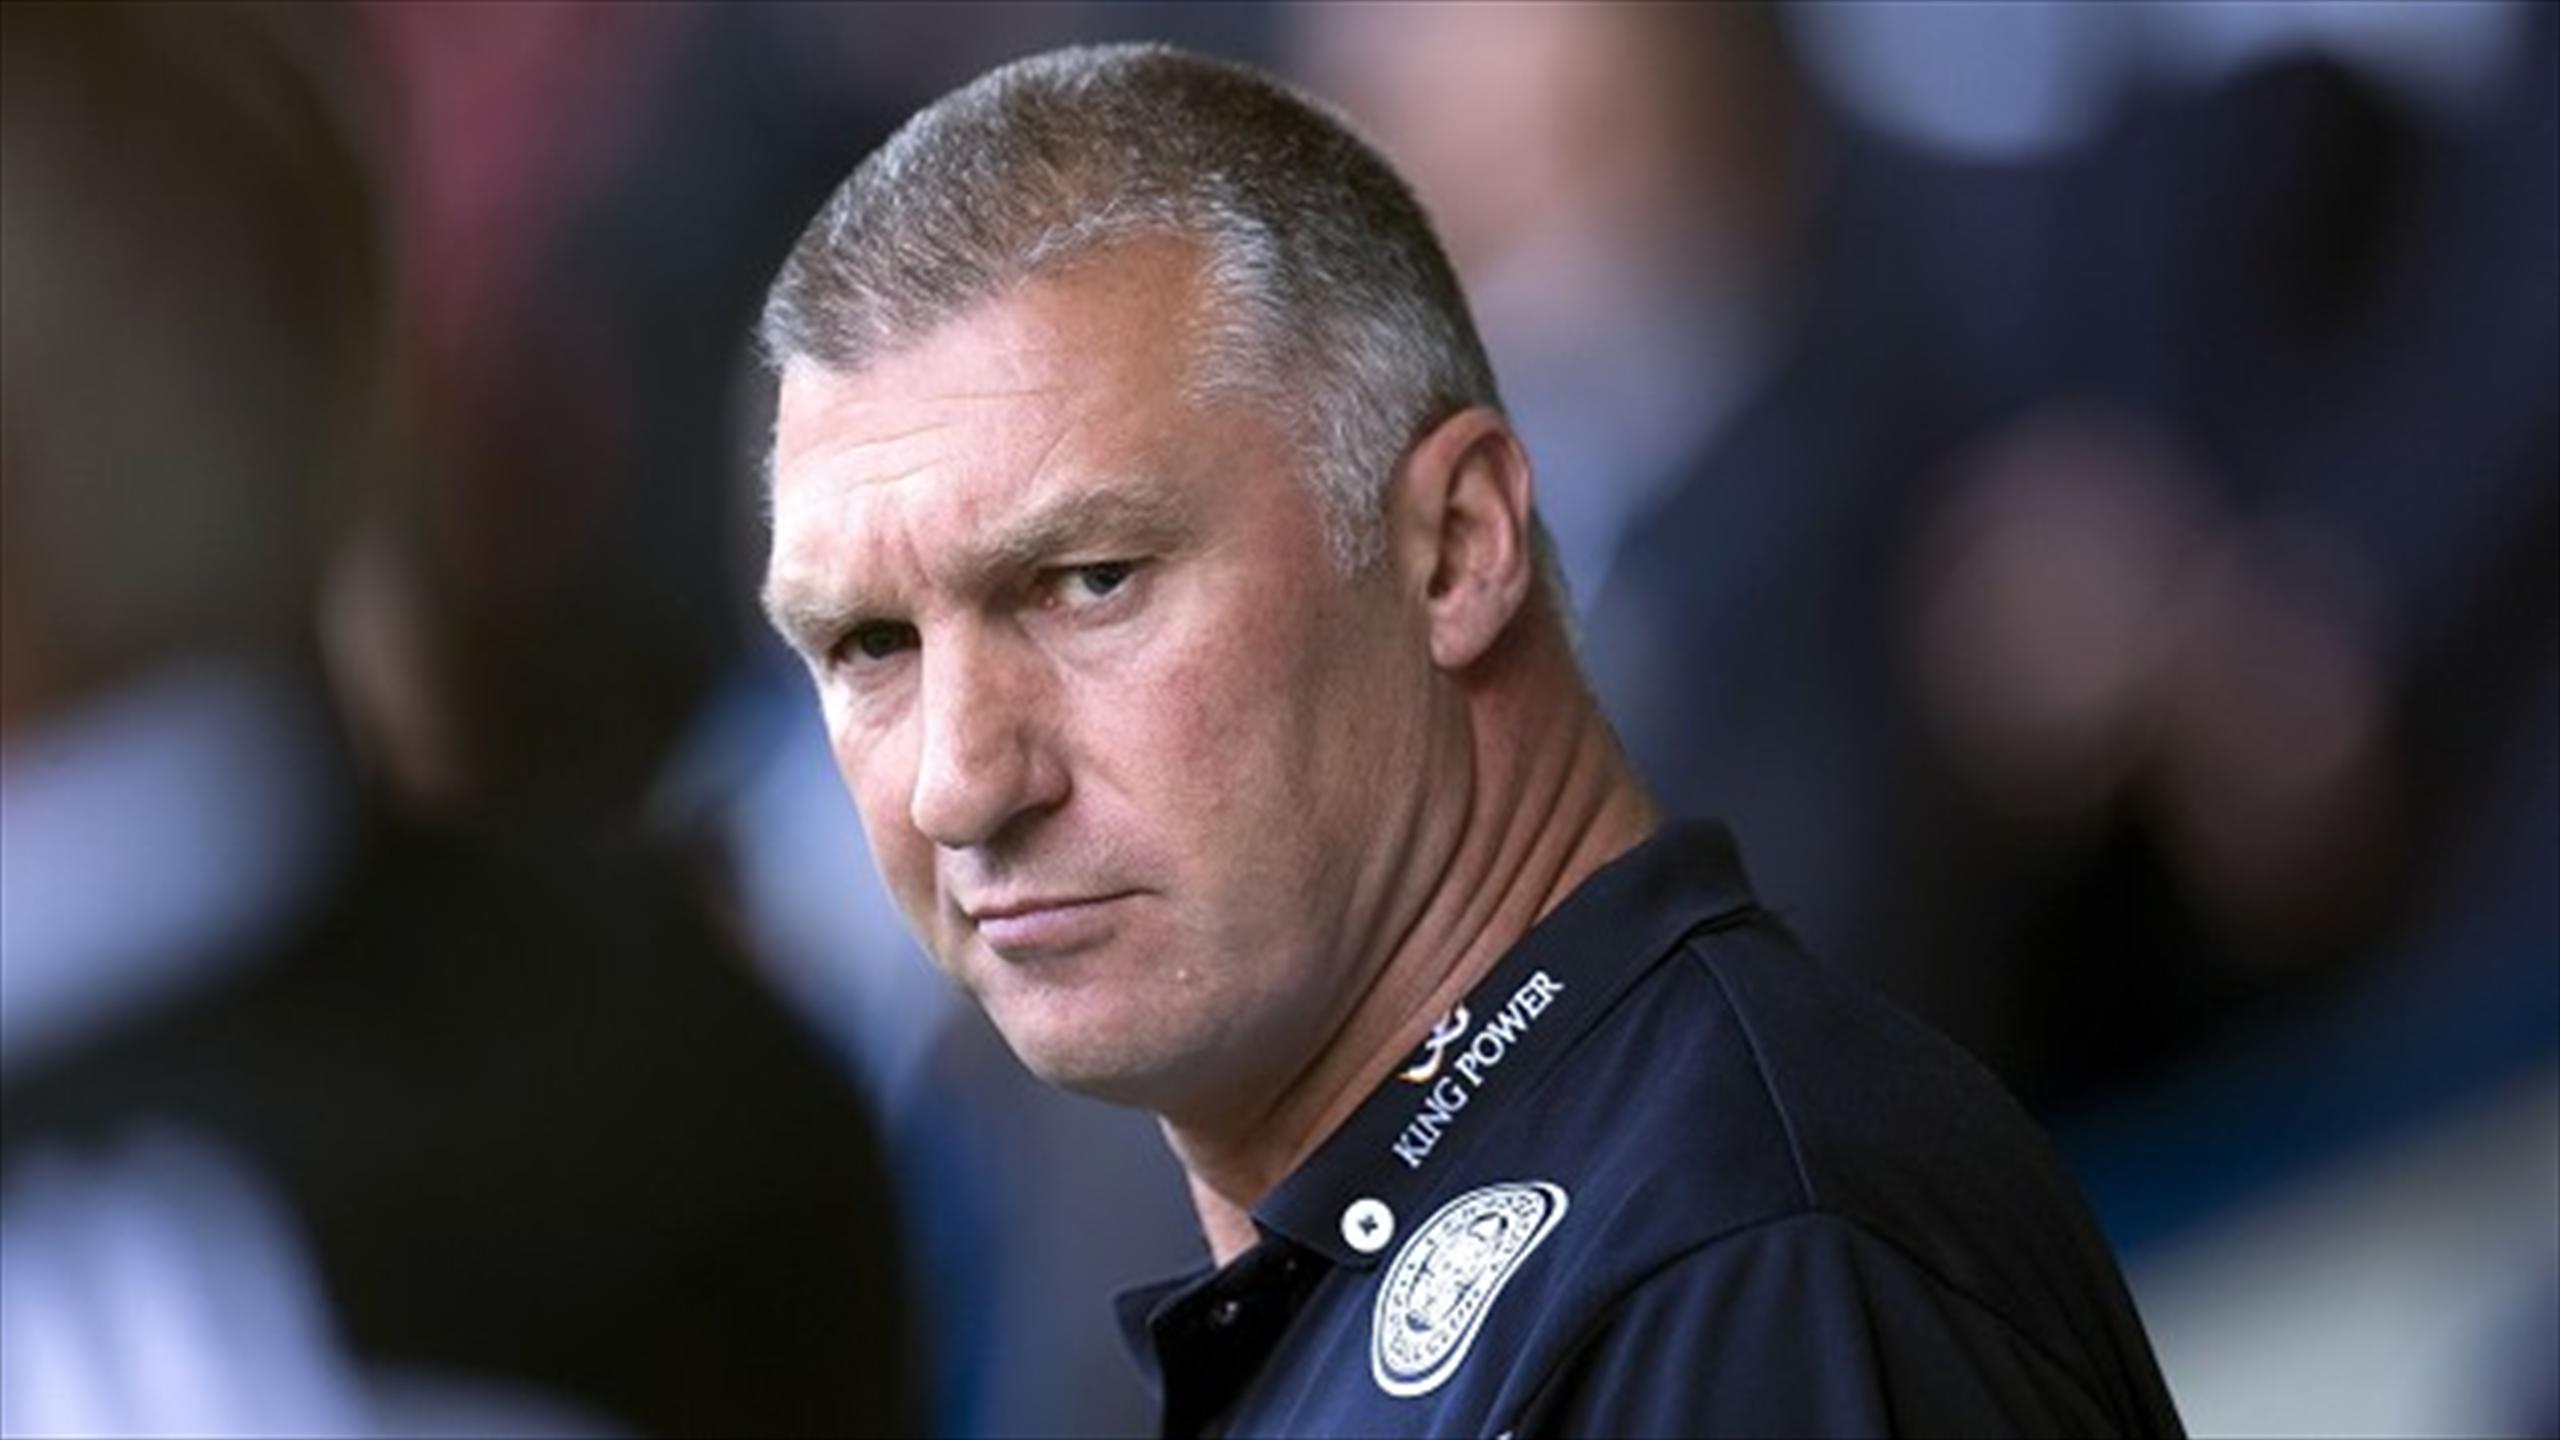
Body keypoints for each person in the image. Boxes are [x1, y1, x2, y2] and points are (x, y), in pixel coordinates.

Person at [756, 44, 2183, 1438]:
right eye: (869, 645)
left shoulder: (1730, 1264)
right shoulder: (1528, 1258)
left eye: (1091, 580)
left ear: (1455, 549)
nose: (958, 783)